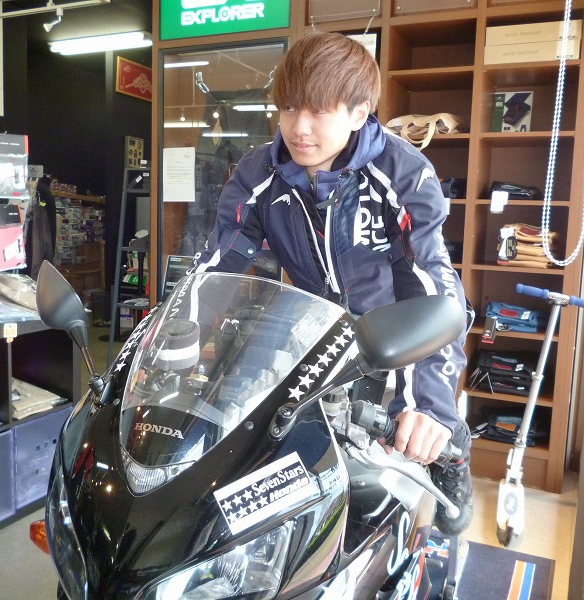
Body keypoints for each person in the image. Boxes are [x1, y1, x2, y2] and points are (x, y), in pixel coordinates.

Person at [190, 31, 473, 535]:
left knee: (416, 436)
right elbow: (219, 263)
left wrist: (426, 407)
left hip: (398, 326)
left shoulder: (404, 173)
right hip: (314, 323)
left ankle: (456, 452)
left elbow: (429, 283)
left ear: (359, 114)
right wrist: (178, 337)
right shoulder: (257, 173)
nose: (299, 128)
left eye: (319, 111)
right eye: (288, 108)